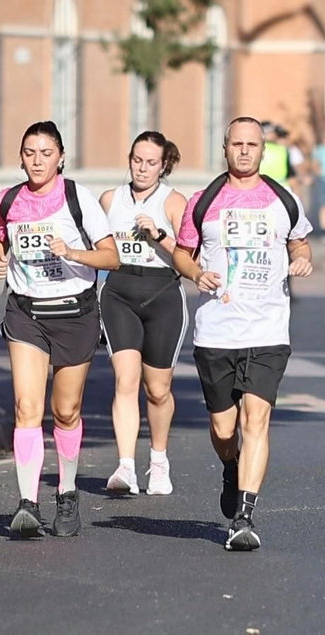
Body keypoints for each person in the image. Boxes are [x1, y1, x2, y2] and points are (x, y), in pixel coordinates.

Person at [172, 116, 314, 551]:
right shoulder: (203, 201)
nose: (245, 151)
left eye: (253, 144)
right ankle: (231, 467)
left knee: (257, 419)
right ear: (226, 149)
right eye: (238, 144)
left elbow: (299, 240)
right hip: (217, 330)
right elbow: (182, 253)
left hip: (268, 328)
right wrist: (196, 273)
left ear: (263, 150)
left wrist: (302, 257)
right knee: (223, 428)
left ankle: (244, 517)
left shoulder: (283, 199)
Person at [0, 121, 119, 539]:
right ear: (20, 158)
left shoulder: (77, 198)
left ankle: (66, 491)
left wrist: (73, 253)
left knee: (66, 410)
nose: (37, 161)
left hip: (74, 314)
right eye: (30, 153)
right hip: (26, 313)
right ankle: (27, 503)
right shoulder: (8, 199)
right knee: (27, 408)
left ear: (61, 157)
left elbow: (111, 257)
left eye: (46, 153)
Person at [98, 131, 189, 498]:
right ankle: (125, 466)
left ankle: (159, 460)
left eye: (151, 162)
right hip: (119, 292)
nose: (142, 168)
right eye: (137, 160)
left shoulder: (174, 201)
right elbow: (97, 248)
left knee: (158, 389)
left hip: (162, 294)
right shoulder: (110, 200)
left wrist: (160, 235)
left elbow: (189, 259)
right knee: (125, 380)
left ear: (163, 165)